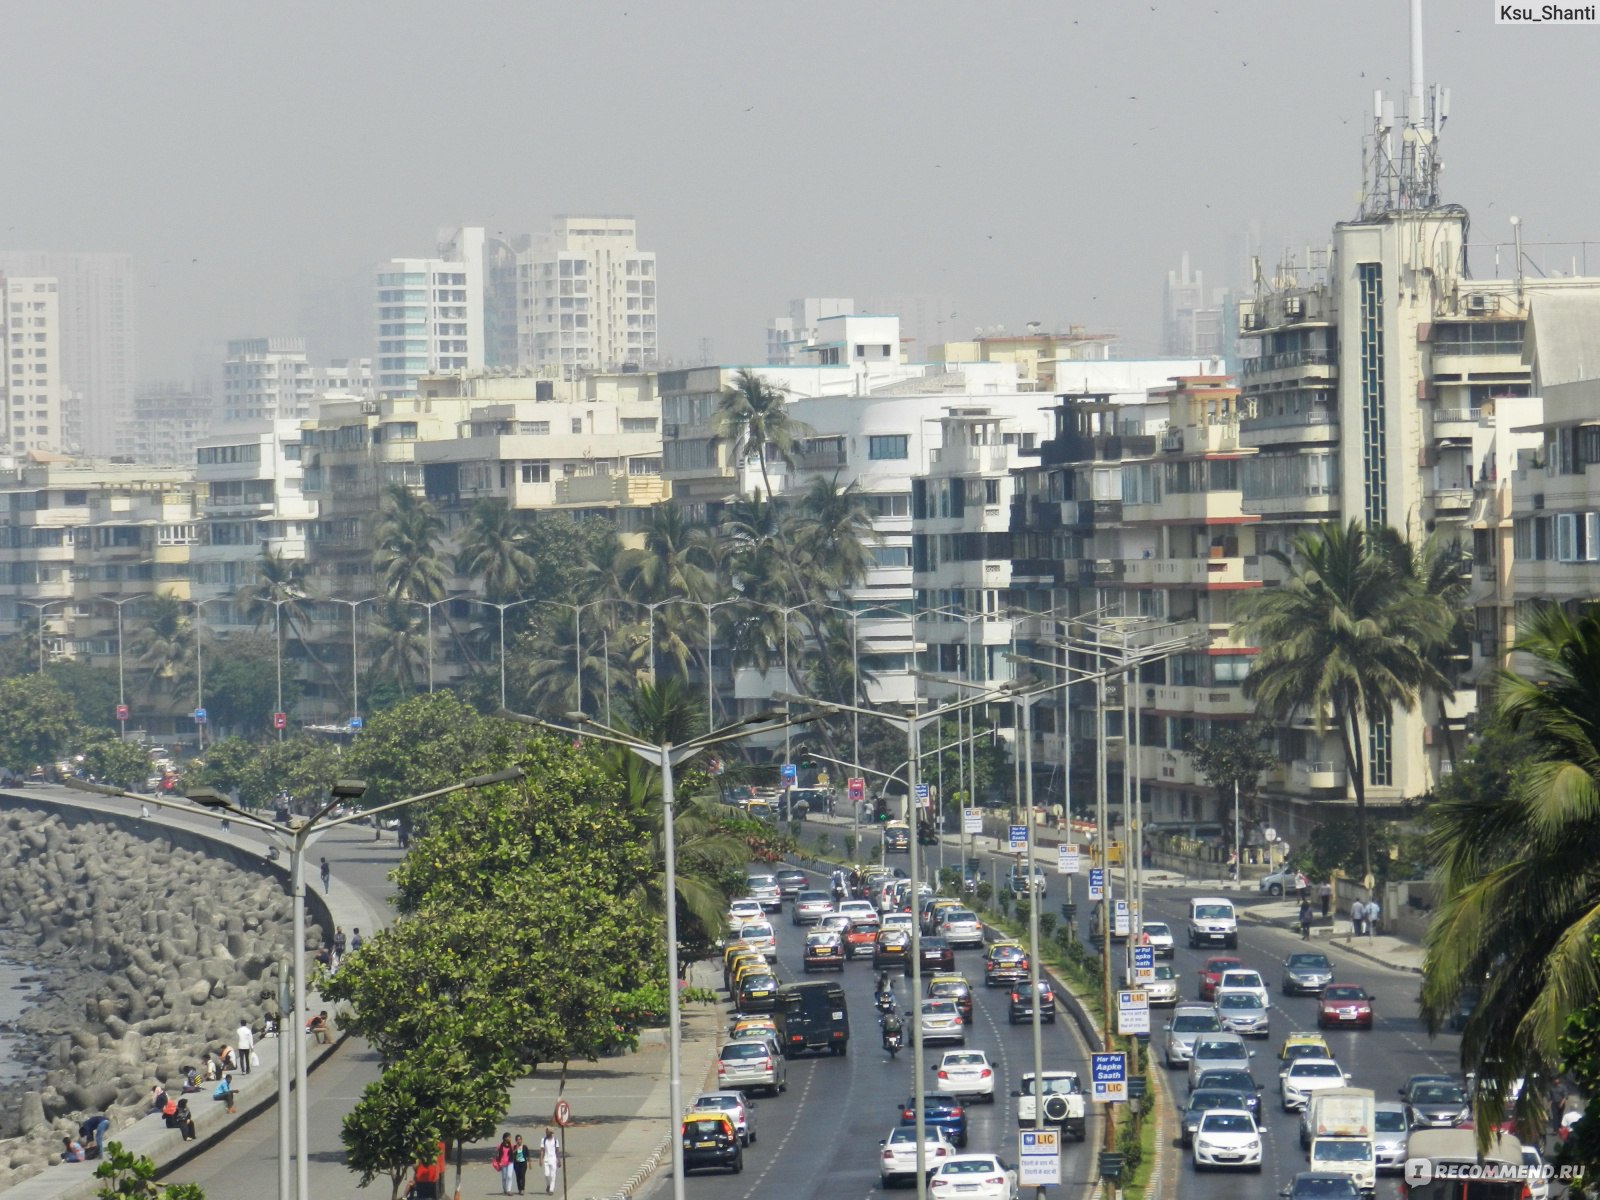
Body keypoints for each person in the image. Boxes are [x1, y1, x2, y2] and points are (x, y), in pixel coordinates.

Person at [539, 1127, 560, 1195]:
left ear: (551, 1132)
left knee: (553, 1175)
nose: (546, 1133)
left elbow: (557, 1151)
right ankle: (548, 1184)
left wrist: (559, 1160)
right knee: (546, 1174)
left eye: (547, 1132)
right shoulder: (543, 1140)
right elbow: (542, 1150)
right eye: (546, 1131)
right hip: (546, 1159)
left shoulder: (555, 1140)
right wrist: (541, 1159)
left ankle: (551, 1189)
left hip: (553, 1159)